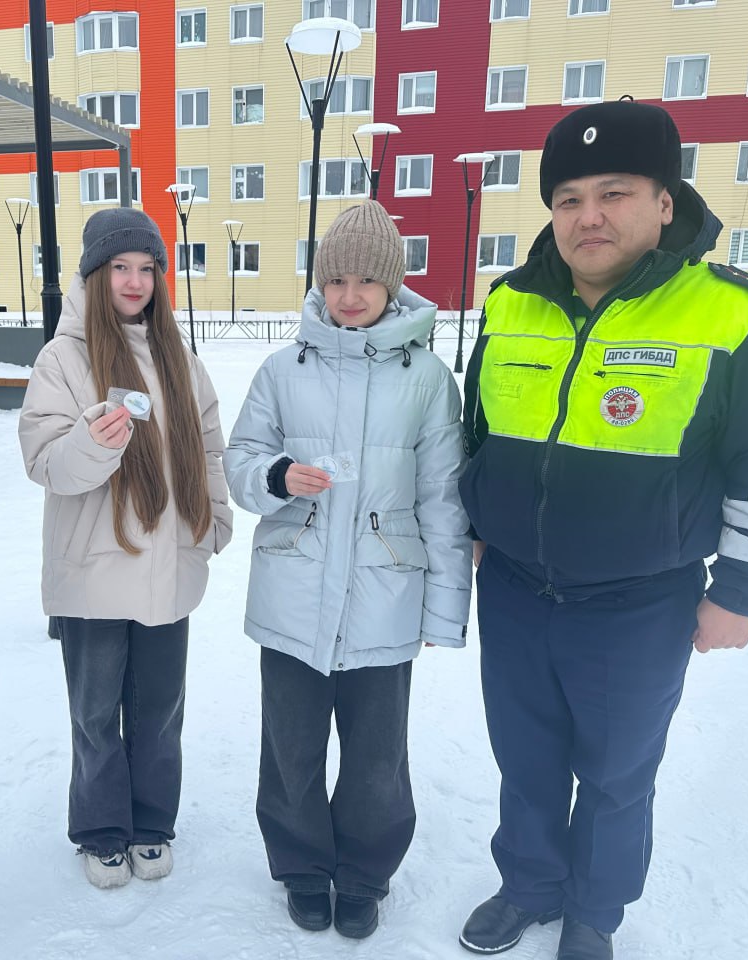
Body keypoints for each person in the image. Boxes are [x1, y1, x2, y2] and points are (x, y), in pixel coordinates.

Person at [457, 98, 748, 960]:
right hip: (513, 588)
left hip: (638, 602)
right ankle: (530, 885)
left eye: (614, 192)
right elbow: (475, 429)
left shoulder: (732, 312)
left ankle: (594, 909)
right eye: (569, 197)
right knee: (526, 759)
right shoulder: (510, 303)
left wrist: (739, 591)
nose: (589, 216)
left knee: (618, 776)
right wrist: (475, 518)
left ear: (665, 202)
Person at [224, 202, 472, 939]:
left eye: (367, 279)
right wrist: (274, 476)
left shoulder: (427, 379)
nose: (350, 294)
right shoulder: (280, 369)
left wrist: (441, 612)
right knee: (290, 749)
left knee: (376, 758)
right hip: (293, 593)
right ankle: (302, 868)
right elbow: (237, 462)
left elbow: (443, 501)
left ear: (393, 287)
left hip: (385, 597)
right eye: (336, 278)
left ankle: (364, 874)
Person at [17, 207, 233, 889]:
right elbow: (45, 461)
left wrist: (215, 521)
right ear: (94, 274)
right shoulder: (63, 359)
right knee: (95, 713)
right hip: (93, 571)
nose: (135, 282)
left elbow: (209, 449)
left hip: (169, 569)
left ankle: (150, 824)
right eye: (120, 268)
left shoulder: (181, 361)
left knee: (158, 710)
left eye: (146, 269)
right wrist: (92, 444)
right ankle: (101, 829)